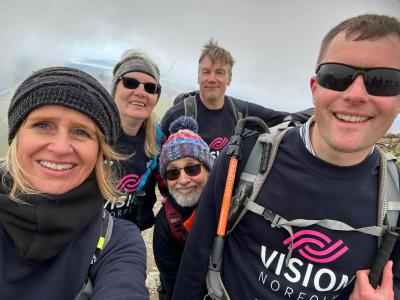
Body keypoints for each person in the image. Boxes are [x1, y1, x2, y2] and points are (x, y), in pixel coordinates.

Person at [172, 14, 400, 300]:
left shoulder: (395, 197)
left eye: (382, 81)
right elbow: (195, 261)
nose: (355, 94)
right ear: (315, 88)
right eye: (337, 76)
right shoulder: (244, 156)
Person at [0, 67, 148, 299]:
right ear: (17, 136)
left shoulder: (118, 242)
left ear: (100, 152)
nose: (60, 147)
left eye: (81, 132)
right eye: (43, 125)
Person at [161, 39, 294, 159]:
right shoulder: (176, 115)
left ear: (229, 79)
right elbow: (157, 164)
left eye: (219, 72)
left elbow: (284, 118)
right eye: (206, 72)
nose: (212, 79)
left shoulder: (240, 111)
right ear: (198, 77)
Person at [153, 116, 214, 299]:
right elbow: (173, 284)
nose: (184, 180)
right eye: (173, 172)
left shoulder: (230, 207)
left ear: (209, 170)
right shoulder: (166, 224)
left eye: (192, 168)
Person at [106, 50, 162, 230]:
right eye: (130, 83)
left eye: (150, 87)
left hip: (126, 236)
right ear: (115, 89)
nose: (140, 92)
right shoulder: (91, 133)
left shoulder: (157, 140)